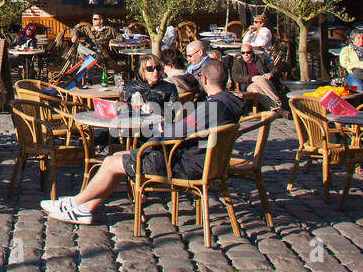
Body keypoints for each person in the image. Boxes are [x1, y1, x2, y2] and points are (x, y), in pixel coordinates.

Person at [42, 59, 245, 224]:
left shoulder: (210, 108)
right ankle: (84, 208)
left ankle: (74, 202)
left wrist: (161, 134)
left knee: (112, 163)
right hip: (202, 160)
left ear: (205, 79)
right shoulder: (230, 103)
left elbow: (176, 133)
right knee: (114, 158)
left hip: (183, 163)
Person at [229, 41, 286, 110]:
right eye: (243, 53)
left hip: (265, 82)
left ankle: (277, 102)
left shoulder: (260, 59)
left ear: (252, 52)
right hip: (249, 85)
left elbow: (275, 68)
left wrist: (270, 73)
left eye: (248, 52)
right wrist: (250, 78)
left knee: (260, 79)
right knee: (254, 88)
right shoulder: (238, 62)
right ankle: (276, 107)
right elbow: (235, 76)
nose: (245, 55)